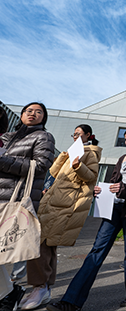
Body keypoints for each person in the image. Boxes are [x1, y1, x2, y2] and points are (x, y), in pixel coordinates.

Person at [47, 127, 126, 311]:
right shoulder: (122, 159)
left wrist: (122, 189)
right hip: (114, 208)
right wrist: (102, 189)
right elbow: (113, 180)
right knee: (96, 251)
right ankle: (71, 301)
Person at [19, 126, 101, 310]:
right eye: (74, 134)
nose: (76, 136)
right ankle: (44, 288)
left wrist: (78, 165)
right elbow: (55, 173)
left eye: (80, 134)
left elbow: (91, 177)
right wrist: (64, 157)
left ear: (88, 136)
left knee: (40, 243)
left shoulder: (91, 153)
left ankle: (40, 287)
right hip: (52, 202)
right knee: (47, 244)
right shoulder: (72, 151)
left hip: (66, 205)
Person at [0, 103, 55, 311]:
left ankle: (9, 293)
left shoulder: (44, 137)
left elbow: (41, 166)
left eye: (38, 112)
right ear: (21, 115)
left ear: (44, 118)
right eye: (28, 111)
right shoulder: (7, 137)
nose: (32, 114)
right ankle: (9, 293)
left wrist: (3, 161)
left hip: (15, 200)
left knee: (6, 251)